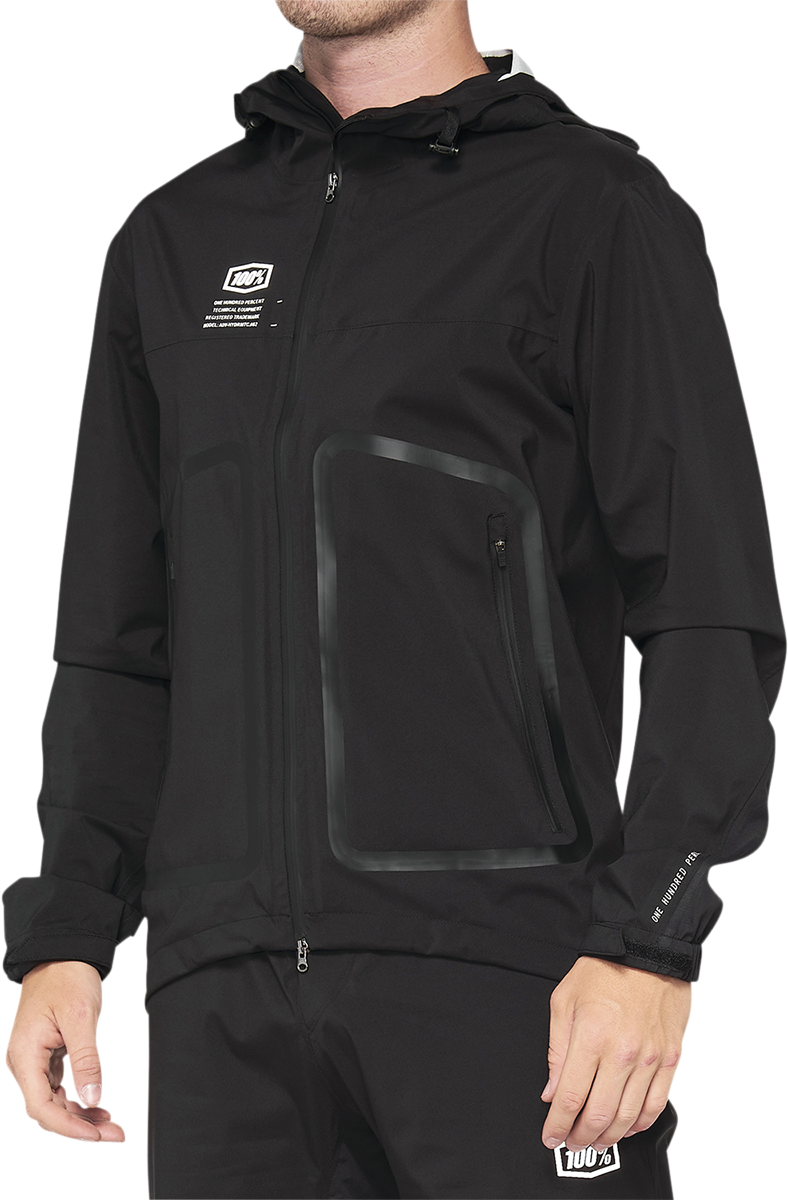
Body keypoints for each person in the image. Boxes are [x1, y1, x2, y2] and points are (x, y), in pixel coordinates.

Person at [3, 1, 784, 1195]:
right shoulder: (173, 240)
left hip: (514, 978)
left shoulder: (588, 207)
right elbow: (116, 635)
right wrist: (68, 930)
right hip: (224, 1004)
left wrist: (649, 936)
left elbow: (707, 604)